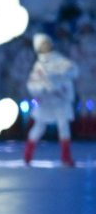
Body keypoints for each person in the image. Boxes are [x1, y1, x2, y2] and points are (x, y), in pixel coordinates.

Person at [24, 33, 79, 166]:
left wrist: (59, 77)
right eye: (42, 44)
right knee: (39, 127)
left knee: (63, 126)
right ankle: (27, 155)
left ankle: (66, 158)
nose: (46, 46)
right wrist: (41, 89)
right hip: (46, 102)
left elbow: (74, 71)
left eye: (47, 43)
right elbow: (32, 84)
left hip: (60, 99)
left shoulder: (59, 59)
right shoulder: (38, 66)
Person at [69, 15, 96, 139]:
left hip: (94, 76)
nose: (86, 28)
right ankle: (84, 130)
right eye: (83, 26)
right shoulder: (77, 42)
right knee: (83, 104)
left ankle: (93, 129)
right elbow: (74, 60)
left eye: (87, 26)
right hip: (82, 77)